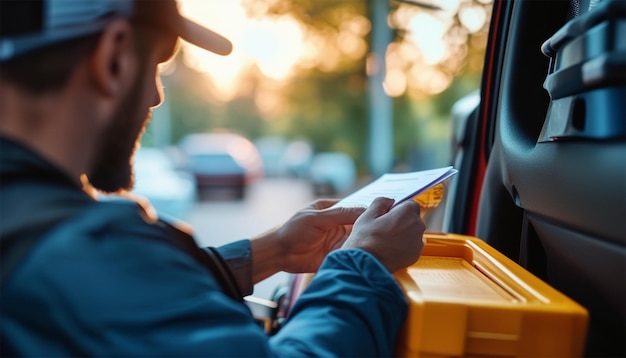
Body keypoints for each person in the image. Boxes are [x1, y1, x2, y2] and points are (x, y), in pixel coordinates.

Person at [0, 0, 426, 356]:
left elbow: (136, 302)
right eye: (156, 67)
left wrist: (274, 250)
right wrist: (362, 263)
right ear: (113, 55)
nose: (155, 96)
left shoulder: (29, 231)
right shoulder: (78, 251)